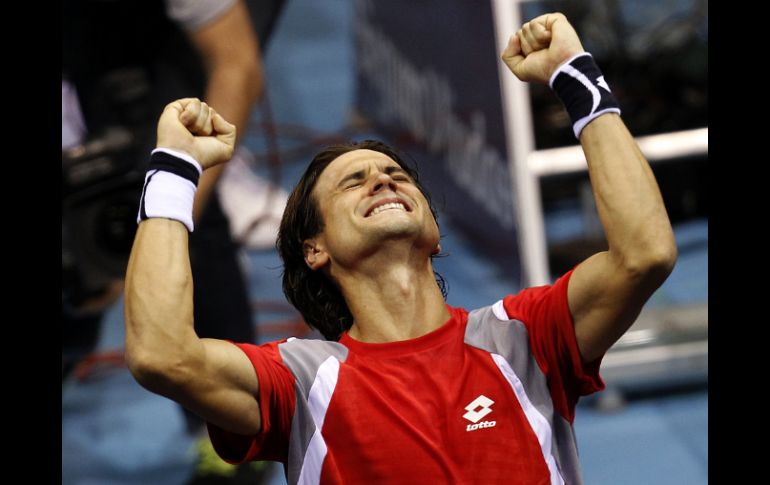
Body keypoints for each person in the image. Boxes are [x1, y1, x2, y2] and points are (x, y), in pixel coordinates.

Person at [124, 12, 676, 484]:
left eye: (395, 174)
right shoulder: (299, 382)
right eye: (352, 182)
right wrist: (175, 169)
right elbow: (161, 354)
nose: (383, 181)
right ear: (314, 249)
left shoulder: (523, 338)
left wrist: (576, 78)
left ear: (435, 234)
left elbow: (643, 253)